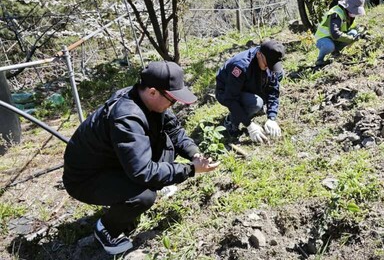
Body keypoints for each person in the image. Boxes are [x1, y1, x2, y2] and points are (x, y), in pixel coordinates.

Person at [63, 61, 219, 255]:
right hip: (86, 178)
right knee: (143, 196)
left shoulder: (146, 98)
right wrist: (190, 169)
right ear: (153, 91)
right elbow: (142, 172)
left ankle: (135, 192)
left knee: (167, 145)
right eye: (172, 99)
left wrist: (194, 153)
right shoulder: (127, 116)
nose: (174, 104)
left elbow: (175, 131)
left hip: (114, 163)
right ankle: (106, 229)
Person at [215, 40, 285, 144]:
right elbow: (230, 98)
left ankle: (250, 108)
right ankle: (231, 121)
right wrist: (249, 125)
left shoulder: (268, 61)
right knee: (256, 103)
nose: (268, 67)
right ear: (258, 54)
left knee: (279, 74)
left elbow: (273, 91)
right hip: (226, 91)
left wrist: (272, 117)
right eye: (267, 64)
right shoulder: (240, 66)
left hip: (250, 84)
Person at [314, 0, 366, 67]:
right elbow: (335, 34)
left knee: (354, 32)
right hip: (323, 39)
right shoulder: (336, 14)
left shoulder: (348, 15)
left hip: (335, 39)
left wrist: (362, 33)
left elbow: (354, 27)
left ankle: (336, 52)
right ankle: (320, 60)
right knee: (329, 46)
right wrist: (351, 39)